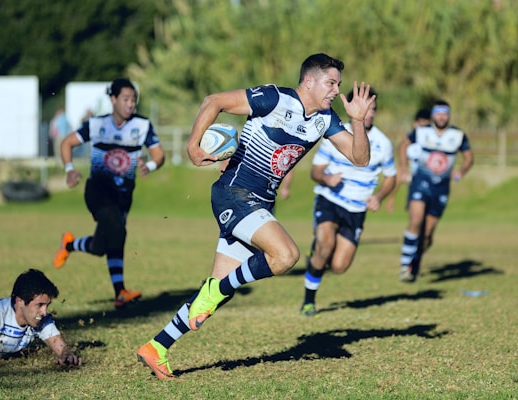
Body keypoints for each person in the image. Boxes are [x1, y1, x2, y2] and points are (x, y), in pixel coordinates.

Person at [136, 53, 376, 380]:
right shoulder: (275, 98)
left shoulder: (325, 118)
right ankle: (214, 292)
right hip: (233, 193)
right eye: (331, 83)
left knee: (220, 289)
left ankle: (157, 347)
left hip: (260, 203)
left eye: (339, 84)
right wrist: (193, 144)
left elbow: (359, 158)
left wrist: (358, 121)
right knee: (286, 254)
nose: (336, 90)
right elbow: (214, 100)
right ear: (309, 80)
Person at [53, 78, 165, 310]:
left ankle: (70, 245)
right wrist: (70, 170)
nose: (130, 104)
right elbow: (66, 143)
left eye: (133, 99)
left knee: (102, 246)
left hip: (124, 194)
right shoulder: (96, 124)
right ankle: (120, 292)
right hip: (99, 191)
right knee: (117, 230)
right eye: (125, 98)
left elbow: (159, 155)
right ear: (113, 99)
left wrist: (150, 166)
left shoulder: (143, 125)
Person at [298, 88, 397, 317]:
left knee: (339, 266)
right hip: (330, 200)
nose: (369, 113)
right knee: (324, 244)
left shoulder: (382, 143)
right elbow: (316, 171)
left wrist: (379, 197)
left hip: (356, 208)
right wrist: (326, 178)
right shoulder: (336, 133)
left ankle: (317, 258)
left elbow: (392, 176)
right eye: (365, 108)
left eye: (372, 109)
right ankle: (309, 301)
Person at [397, 100, 474, 282]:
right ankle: (405, 265)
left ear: (448, 115)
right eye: (438, 113)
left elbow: (469, 157)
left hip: (441, 187)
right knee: (416, 220)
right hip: (421, 182)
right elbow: (402, 146)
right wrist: (403, 168)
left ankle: (415, 261)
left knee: (427, 234)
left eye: (444, 113)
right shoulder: (422, 132)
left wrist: (461, 171)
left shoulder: (457, 135)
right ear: (433, 115)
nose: (441, 117)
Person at [0, 269, 82, 368]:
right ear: (19, 301)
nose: (44, 312)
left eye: (47, 306)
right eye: (40, 305)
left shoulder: (40, 319)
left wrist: (67, 356)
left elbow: (61, 348)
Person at [385, 108, 431, 213]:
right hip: (416, 180)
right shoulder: (411, 148)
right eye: (421, 124)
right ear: (415, 123)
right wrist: (392, 197)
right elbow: (400, 171)